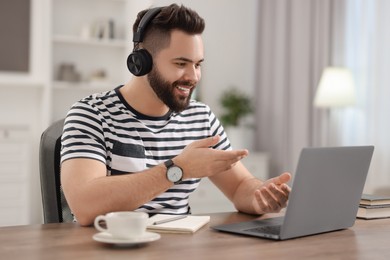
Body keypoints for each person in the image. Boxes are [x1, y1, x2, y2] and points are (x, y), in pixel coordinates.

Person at [60, 4, 291, 226]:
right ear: (141, 62)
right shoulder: (91, 114)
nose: (193, 77)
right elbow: (84, 206)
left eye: (198, 64)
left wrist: (261, 195)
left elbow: (240, 186)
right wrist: (178, 169)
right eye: (181, 63)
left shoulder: (201, 117)